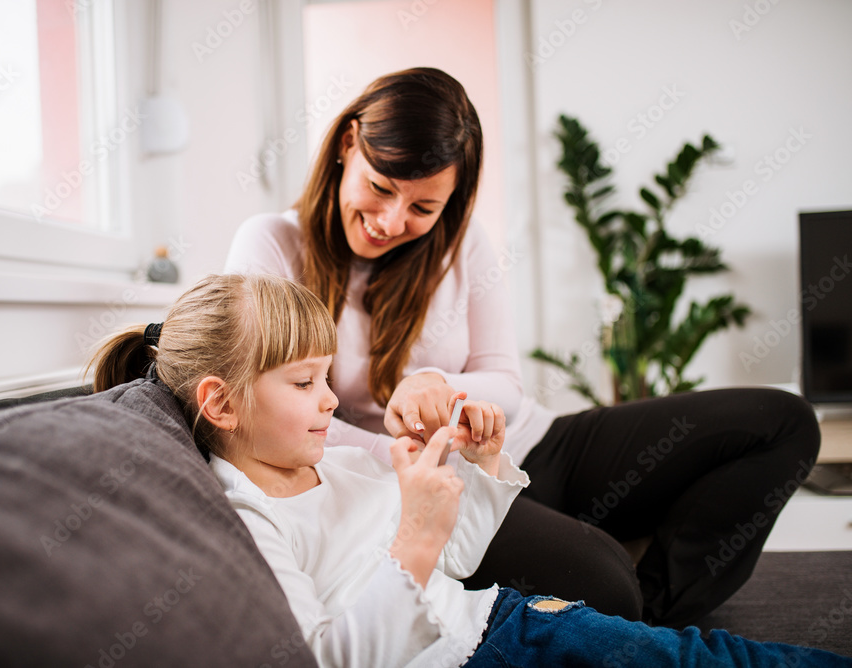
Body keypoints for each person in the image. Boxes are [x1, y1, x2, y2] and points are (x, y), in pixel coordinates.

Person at [224, 67, 822, 626]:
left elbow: (503, 386)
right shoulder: (271, 247)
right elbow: (273, 412)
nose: (390, 219)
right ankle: (622, 605)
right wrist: (404, 456)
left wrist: (431, 382)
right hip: (432, 486)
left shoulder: (462, 245)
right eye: (380, 188)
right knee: (610, 587)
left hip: (531, 445)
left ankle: (652, 613)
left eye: (423, 207)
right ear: (347, 143)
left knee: (783, 422)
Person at [87, 273, 850, 668]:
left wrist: (483, 468)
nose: (332, 402)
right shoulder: (248, 515)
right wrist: (413, 537)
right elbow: (336, 659)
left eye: (327, 377)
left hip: (498, 616)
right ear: (220, 403)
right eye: (303, 383)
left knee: (706, 657)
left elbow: (457, 552)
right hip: (484, 647)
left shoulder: (325, 472)